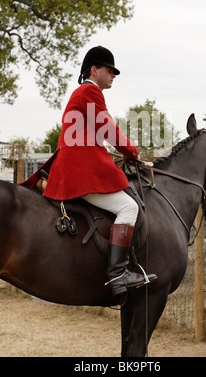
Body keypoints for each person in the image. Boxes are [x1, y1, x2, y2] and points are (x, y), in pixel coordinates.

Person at [42, 45, 157, 296]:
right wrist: (132, 152)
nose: (114, 75)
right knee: (129, 207)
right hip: (80, 171)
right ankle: (118, 275)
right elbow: (108, 128)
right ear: (93, 70)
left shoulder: (84, 93)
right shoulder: (89, 91)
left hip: (77, 165)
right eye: (110, 70)